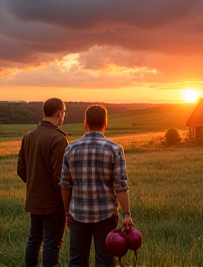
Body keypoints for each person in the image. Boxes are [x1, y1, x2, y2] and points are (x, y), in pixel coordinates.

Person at [60, 104, 133, 267]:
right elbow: (121, 186)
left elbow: (65, 185)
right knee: (105, 260)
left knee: (77, 261)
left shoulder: (70, 149)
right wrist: (127, 214)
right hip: (106, 215)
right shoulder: (115, 149)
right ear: (105, 123)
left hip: (78, 214)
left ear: (85, 122)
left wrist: (67, 211)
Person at [17, 98, 68, 267]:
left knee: (34, 240)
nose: (63, 117)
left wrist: (35, 184)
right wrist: (65, 202)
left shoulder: (29, 135)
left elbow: (21, 169)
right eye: (64, 113)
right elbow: (59, 178)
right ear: (59, 114)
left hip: (33, 200)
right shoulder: (58, 139)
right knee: (52, 244)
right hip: (53, 203)